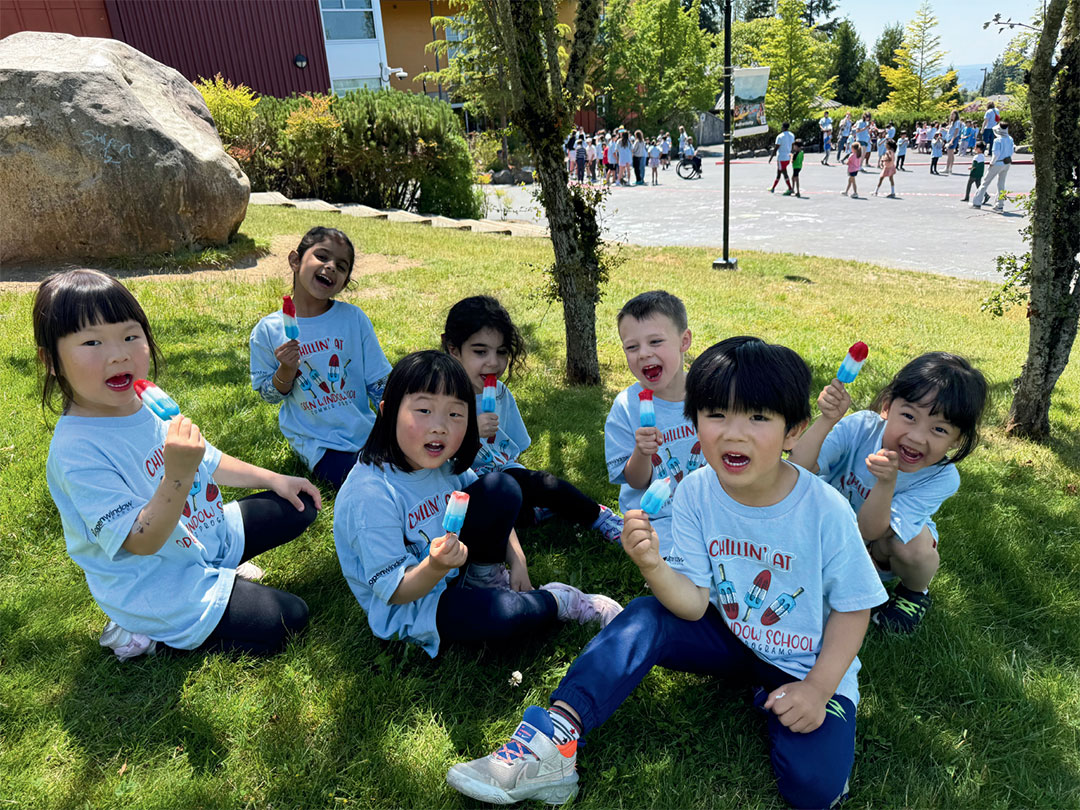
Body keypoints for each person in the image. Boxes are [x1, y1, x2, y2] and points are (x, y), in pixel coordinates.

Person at [446, 337, 887, 808]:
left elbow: (853, 608)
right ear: (695, 423)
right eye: (717, 415)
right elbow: (692, 604)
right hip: (729, 635)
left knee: (813, 791)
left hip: (803, 662)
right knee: (645, 615)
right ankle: (555, 739)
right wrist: (652, 565)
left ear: (793, 431)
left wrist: (818, 688)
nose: (734, 434)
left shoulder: (824, 509)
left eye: (758, 418)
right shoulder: (695, 491)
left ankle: (784, 700)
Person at [37, 269, 323, 659]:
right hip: (155, 581)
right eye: (92, 342)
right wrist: (177, 475)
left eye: (130, 336)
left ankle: (220, 571)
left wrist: (275, 479)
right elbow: (140, 541)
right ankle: (148, 635)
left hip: (201, 535)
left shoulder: (145, 401)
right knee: (289, 617)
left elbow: (208, 458)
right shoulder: (77, 451)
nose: (119, 354)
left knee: (299, 505)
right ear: (51, 361)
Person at [333, 350, 622, 659]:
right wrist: (435, 567)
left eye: (455, 414)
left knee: (502, 487)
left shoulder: (444, 465)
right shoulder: (370, 495)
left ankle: (483, 577)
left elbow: (492, 502)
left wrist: (518, 560)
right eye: (424, 410)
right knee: (503, 614)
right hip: (415, 604)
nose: (440, 427)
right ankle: (561, 600)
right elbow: (396, 591)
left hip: (454, 570)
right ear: (387, 412)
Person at [789, 352, 988, 633]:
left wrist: (885, 483)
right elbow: (797, 469)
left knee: (916, 550)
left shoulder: (942, 478)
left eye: (939, 429)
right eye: (909, 416)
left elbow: (870, 530)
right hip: (828, 534)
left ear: (957, 440)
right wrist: (827, 419)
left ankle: (914, 593)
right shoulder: (861, 428)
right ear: (886, 406)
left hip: (879, 548)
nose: (917, 437)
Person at [442, 295, 624, 545]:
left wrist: (523, 482)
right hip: (459, 485)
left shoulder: (499, 393)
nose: (493, 362)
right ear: (454, 350)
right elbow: (433, 455)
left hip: (503, 474)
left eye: (501, 352)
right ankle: (532, 511)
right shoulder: (439, 398)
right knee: (500, 505)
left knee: (543, 484)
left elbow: (513, 451)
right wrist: (470, 432)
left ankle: (599, 517)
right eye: (480, 351)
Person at [250, 227, 391, 491]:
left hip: (365, 432)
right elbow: (269, 395)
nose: (331, 267)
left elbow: (379, 382)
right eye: (322, 257)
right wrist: (285, 370)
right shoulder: (269, 330)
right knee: (363, 484)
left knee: (404, 471)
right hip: (318, 443)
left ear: (345, 282)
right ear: (295, 260)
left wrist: (398, 423)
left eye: (341, 266)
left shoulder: (353, 319)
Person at [604, 291, 698, 558]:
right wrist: (642, 451)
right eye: (632, 347)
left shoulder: (709, 396)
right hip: (655, 519)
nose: (644, 354)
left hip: (705, 508)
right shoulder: (626, 407)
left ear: (684, 341)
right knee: (679, 565)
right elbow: (635, 481)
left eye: (655, 341)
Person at [971, 122, 1015, 211]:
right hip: (1006, 163)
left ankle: (977, 202)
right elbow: (1011, 151)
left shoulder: (997, 140)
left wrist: (992, 162)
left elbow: (996, 153)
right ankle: (1000, 204)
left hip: (997, 163)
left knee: (985, 182)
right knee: (1001, 184)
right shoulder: (1010, 139)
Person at [768, 121, 795, 193]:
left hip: (781, 158)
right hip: (787, 157)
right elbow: (792, 146)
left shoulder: (780, 136)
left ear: (783, 127)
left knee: (784, 173)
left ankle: (790, 188)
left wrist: (771, 157)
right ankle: (773, 187)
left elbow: (776, 148)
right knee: (779, 173)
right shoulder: (792, 135)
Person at [944, 111, 961, 175]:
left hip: (953, 138)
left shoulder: (957, 122)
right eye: (951, 114)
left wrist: (952, 140)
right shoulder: (952, 122)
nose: (952, 116)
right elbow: (950, 131)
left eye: (953, 114)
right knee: (951, 154)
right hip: (949, 138)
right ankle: (949, 168)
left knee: (950, 154)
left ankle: (947, 168)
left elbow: (956, 131)